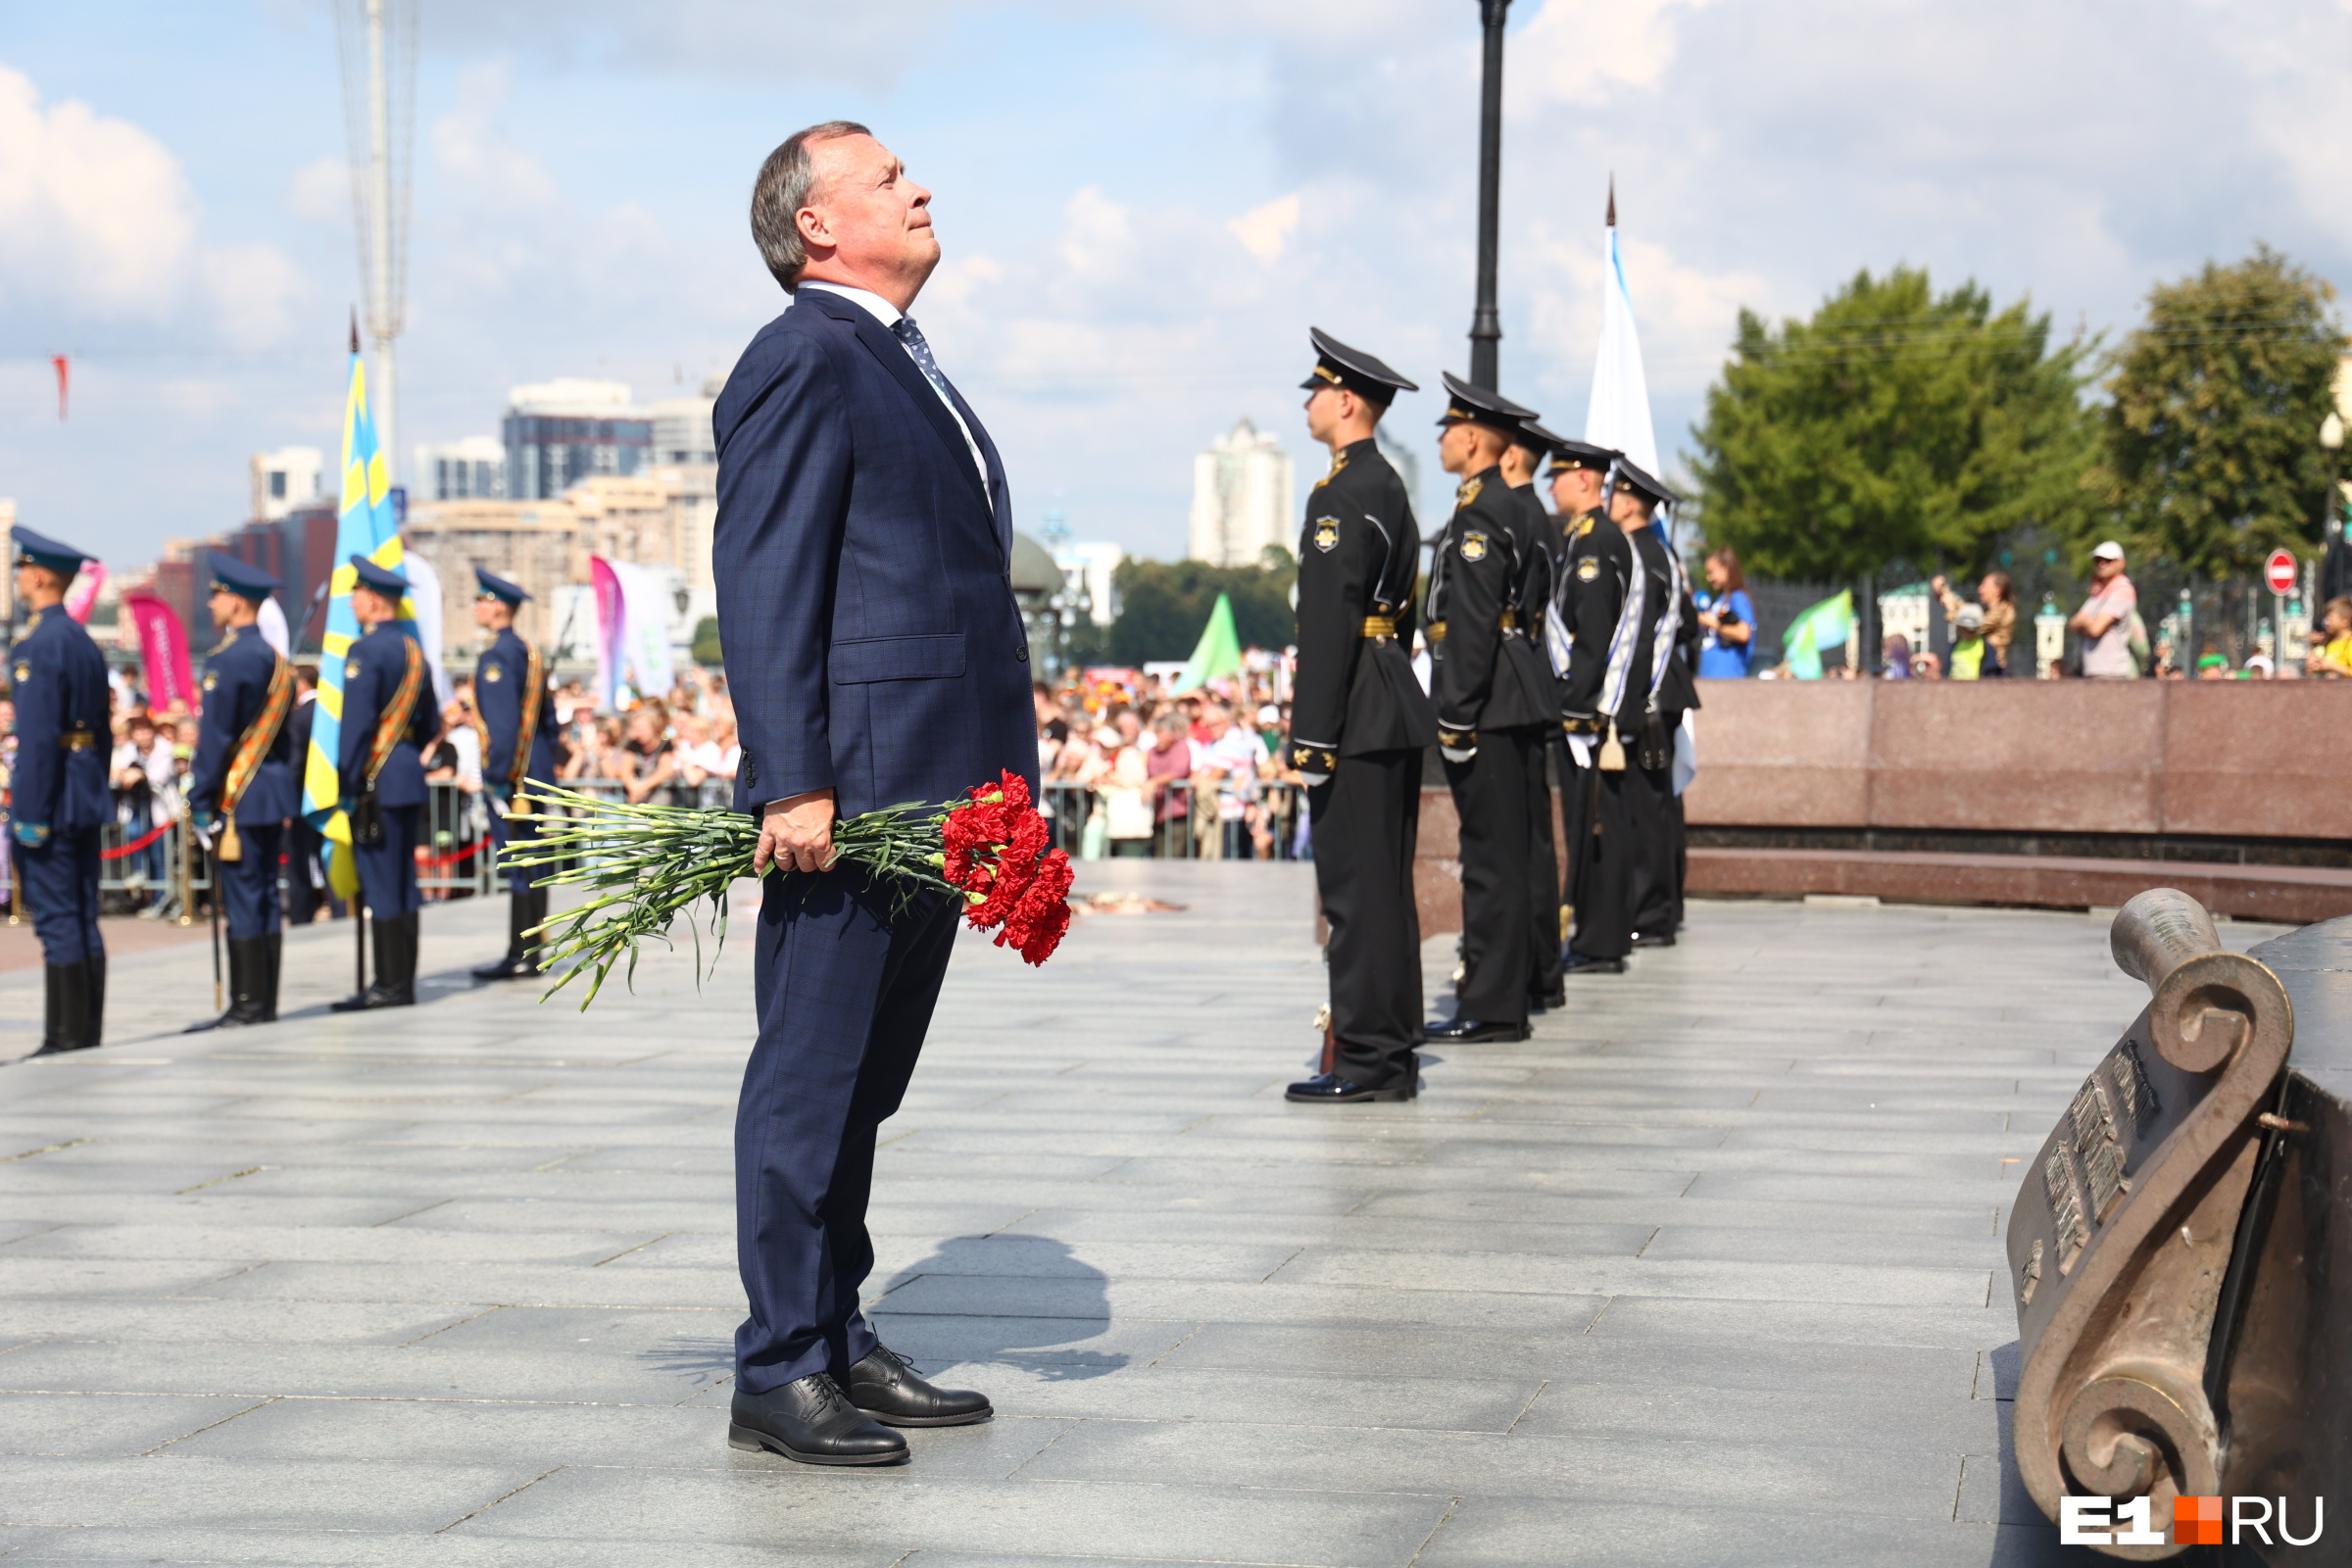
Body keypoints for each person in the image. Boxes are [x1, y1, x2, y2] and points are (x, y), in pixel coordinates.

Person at [714, 120, 1025, 1466]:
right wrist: (795, 782)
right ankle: (777, 1364)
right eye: (892, 178)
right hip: (848, 802)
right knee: (810, 1079)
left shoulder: (892, 355)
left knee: (866, 1087)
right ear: (820, 225)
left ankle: (835, 1331)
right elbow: (769, 575)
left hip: (931, 797)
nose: (924, 187)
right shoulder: (802, 355)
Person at [1278, 328, 1437, 1104]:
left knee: (1355, 895)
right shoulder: (1390, 486)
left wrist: (1311, 736)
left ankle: (1367, 1059)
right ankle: (1390, 1051)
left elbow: (1329, 621)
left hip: (1357, 712)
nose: (1307, 403)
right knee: (1384, 891)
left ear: (1346, 401)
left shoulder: (1341, 494)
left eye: (1315, 390)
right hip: (1389, 694)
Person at [1424, 373, 1550, 1045]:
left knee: (1490, 859)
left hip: (1491, 696)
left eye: (1448, 428)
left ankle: (1493, 1004)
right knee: (1513, 852)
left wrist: (1456, 712)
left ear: (1472, 437)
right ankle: (1511, 988)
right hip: (1517, 686)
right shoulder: (1517, 506)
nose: (1442, 439)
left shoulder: (1480, 513)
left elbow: (1471, 621)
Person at [184, 554, 298, 1029]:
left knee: (246, 900)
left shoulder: (228, 660)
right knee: (266, 899)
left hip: (238, 795)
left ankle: (247, 1004)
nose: (212, 603)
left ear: (235, 601)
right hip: (270, 791)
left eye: (216, 595)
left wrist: (200, 797)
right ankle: (263, 1000)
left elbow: (214, 740)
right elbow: (285, 739)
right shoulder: (274, 660)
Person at [9, 526, 111, 1054]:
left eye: (21, 569)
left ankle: (65, 1035)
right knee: (82, 911)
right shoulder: (82, 642)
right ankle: (85, 1030)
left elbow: (40, 737)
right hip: (83, 790)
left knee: (56, 915)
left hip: (52, 795)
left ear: (40, 575)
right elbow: (103, 730)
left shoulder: (39, 645)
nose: (19, 578)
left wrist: (27, 813)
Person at [330, 555, 435, 1011]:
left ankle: (388, 984)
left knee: (380, 883)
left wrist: (346, 783)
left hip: (375, 779)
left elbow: (355, 727)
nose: (351, 602)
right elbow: (429, 722)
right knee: (403, 882)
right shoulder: (414, 652)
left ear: (373, 599)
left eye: (355, 594)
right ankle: (401, 980)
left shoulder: (365, 651)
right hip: (407, 774)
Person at [1613, 463, 1697, 951]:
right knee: (1660, 806)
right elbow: (1688, 625)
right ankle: (1663, 908)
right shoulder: (1664, 555)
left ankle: (1648, 913)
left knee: (1644, 808)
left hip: (1645, 691)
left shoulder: (1634, 557)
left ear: (1627, 504)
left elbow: (1634, 634)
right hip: (1666, 690)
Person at [1502, 419, 1568, 1013]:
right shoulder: (1541, 520)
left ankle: (1518, 975)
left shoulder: (1512, 514)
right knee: (1533, 843)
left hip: (1509, 679)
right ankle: (1541, 970)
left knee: (1513, 847)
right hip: (1530, 677)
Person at [469, 568, 560, 981]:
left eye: (480, 599)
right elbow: (551, 724)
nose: (476, 606)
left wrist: (495, 775)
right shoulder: (528, 651)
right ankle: (528, 948)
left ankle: (523, 953)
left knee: (523, 862)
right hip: (534, 770)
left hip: (515, 776)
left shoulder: (497, 655)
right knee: (533, 861)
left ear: (497, 606)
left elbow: (504, 728)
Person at [282, 664, 330, 923]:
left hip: (302, 798)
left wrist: (288, 802)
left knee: (300, 861)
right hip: (328, 796)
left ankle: (301, 913)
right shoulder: (328, 712)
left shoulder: (299, 717)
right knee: (326, 855)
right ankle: (338, 905)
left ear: (301, 684)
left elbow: (296, 762)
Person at [2070, 541, 2140, 677]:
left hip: (2112, 673)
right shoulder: (2097, 592)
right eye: (2098, 560)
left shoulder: (2122, 590)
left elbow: (2096, 629)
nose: (2102, 564)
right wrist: (2089, 623)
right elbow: (2072, 625)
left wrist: (2086, 623)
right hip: (2092, 671)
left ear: (2121, 563)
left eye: (2108, 560)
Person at [1932, 569, 2015, 676]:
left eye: (1984, 586)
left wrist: (1951, 610)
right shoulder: (1987, 610)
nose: (1980, 589)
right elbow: (1966, 612)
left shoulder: (2003, 611)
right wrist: (1945, 591)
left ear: (1998, 590)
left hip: (1991, 669)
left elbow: (1972, 624)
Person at [1695, 548, 1755, 678]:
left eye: (1711, 572)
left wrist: (1715, 625)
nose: (1709, 578)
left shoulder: (1738, 598)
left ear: (1726, 568)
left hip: (1727, 676)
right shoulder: (1722, 598)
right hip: (1710, 674)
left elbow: (1743, 633)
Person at [1946, 603, 1992, 679]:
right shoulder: (1953, 646)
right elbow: (1946, 669)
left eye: (1972, 629)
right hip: (1954, 688)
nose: (1967, 632)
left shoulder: (1986, 647)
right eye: (1964, 628)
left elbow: (1991, 672)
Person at [2308, 597, 2352, 677]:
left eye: (2330, 618)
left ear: (2345, 621)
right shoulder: (2330, 642)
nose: (2326, 622)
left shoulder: (2349, 642)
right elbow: (2311, 671)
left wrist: (2332, 666)